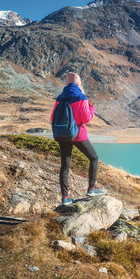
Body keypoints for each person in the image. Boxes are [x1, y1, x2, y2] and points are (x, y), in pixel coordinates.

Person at [50, 72, 104, 205]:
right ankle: (91, 189)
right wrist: (92, 109)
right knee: (94, 158)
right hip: (78, 135)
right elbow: (86, 118)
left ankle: (65, 198)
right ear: (79, 83)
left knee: (65, 166)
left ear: (67, 84)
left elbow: (52, 118)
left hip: (63, 135)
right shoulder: (81, 97)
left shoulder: (60, 98)